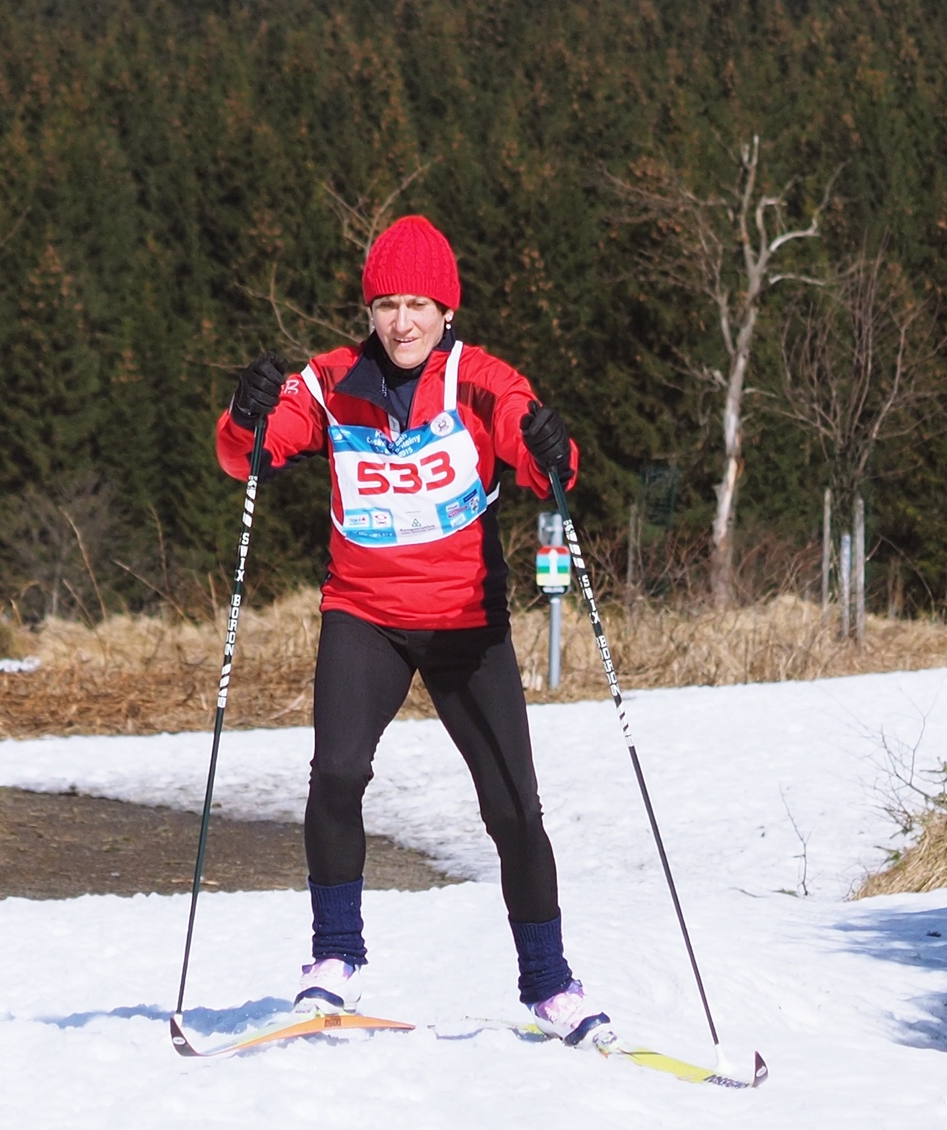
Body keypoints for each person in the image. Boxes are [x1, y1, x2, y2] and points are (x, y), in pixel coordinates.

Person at [214, 214, 607, 1043]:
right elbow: (247, 454)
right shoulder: (331, 381)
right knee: (336, 773)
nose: (402, 323)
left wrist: (552, 448)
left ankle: (550, 984)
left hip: (467, 623)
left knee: (513, 809)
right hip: (366, 615)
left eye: (419, 305)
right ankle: (334, 959)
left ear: (446, 310)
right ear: (370, 310)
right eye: (387, 305)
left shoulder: (481, 380)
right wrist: (246, 417)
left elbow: (542, 462)